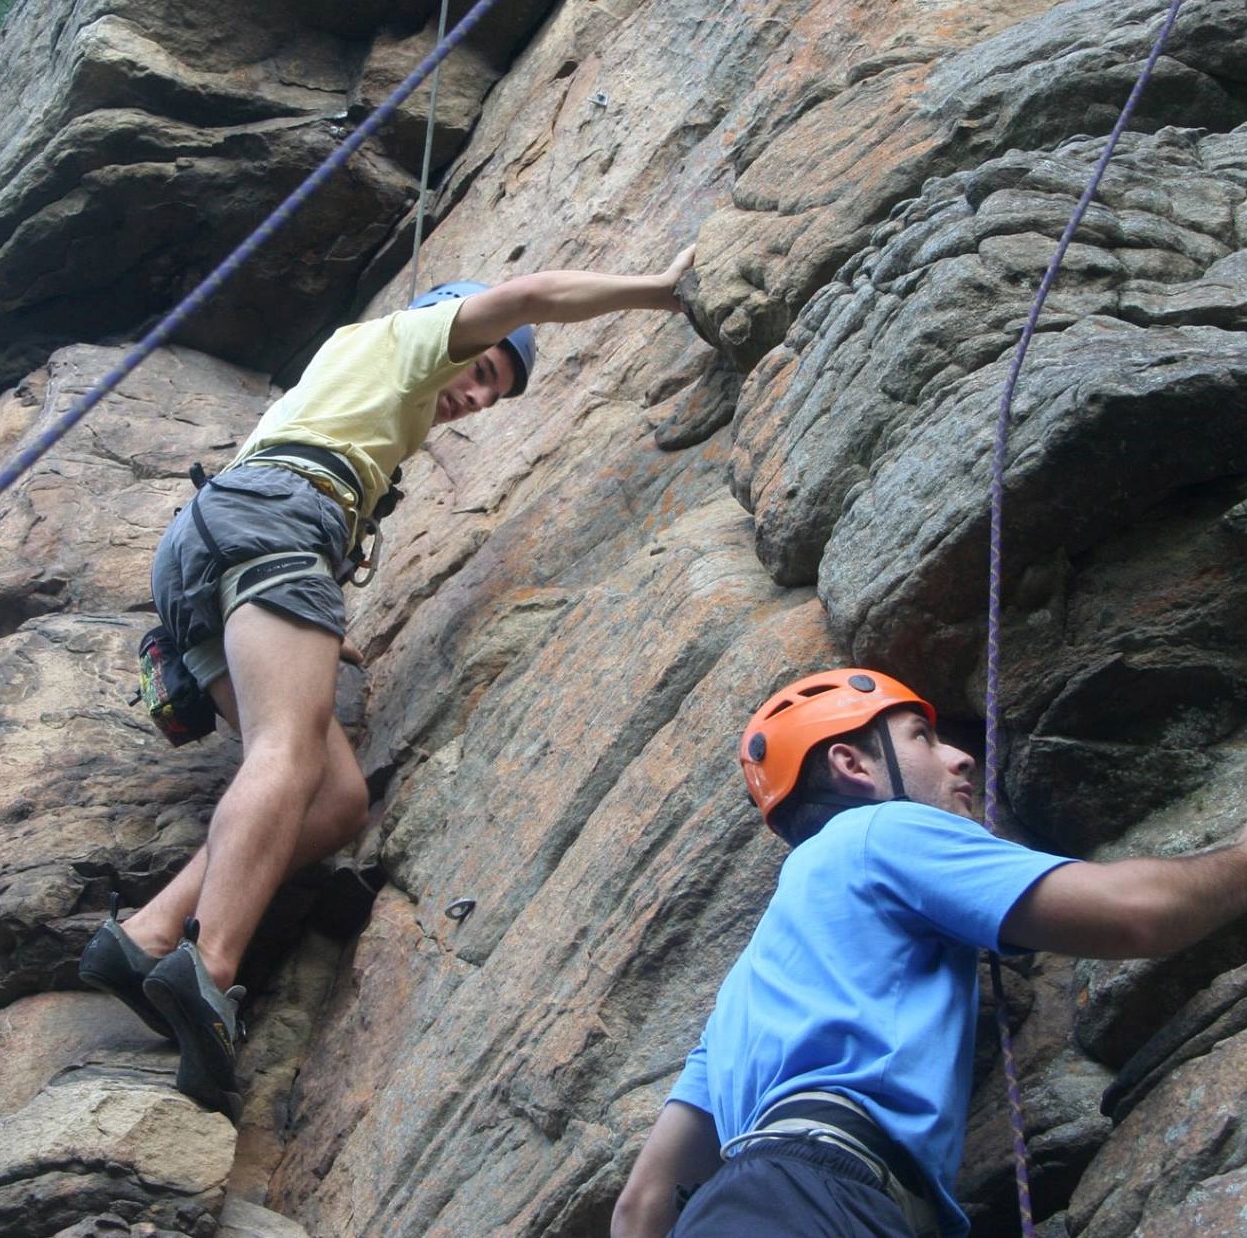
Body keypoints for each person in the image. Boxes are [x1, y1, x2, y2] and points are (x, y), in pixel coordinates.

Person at [79, 245, 697, 1121]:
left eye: (493, 394)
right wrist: (663, 289)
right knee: (288, 754)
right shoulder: (412, 338)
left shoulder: (357, 379)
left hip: (208, 543)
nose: (477, 395)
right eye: (482, 369)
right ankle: (209, 970)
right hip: (278, 522)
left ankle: (146, 936)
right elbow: (533, 294)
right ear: (455, 329)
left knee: (330, 799)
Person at [611, 668, 1247, 1238]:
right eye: (922, 736)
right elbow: (1134, 915)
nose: (961, 758)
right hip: (817, 1194)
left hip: (767, 1198)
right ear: (852, 765)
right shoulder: (881, 831)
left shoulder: (748, 991)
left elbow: (640, 1209)